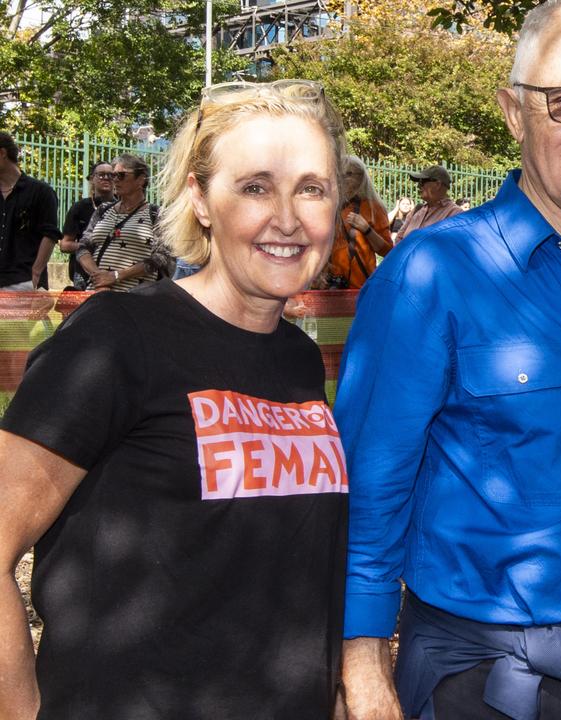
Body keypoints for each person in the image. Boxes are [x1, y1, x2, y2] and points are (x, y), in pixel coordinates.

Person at [336, 2, 561, 719]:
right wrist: (361, 664)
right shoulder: (430, 273)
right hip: (482, 681)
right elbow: (368, 489)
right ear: (514, 112)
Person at [0, 79, 351, 719]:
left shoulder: (298, 358)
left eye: (311, 188)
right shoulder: (115, 338)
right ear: (201, 198)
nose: (287, 217)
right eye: (254, 187)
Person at [75, 154, 170, 291]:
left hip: (134, 299)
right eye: (113, 175)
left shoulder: (156, 214)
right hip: (96, 294)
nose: (115, 180)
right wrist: (100, 278)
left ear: (141, 180)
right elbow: (82, 247)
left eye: (121, 175)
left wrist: (116, 276)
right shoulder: (103, 210)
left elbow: (161, 258)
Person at [0, 131, 59, 291]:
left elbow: (50, 234)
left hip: (23, 281)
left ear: (2, 153)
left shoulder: (41, 191)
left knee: (18, 318)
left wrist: (36, 273)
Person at [326, 155, 391, 289]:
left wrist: (367, 230)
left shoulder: (374, 208)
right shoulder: (328, 206)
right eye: (340, 174)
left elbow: (388, 252)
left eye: (349, 174)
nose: (343, 179)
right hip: (329, 286)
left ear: (361, 177)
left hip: (360, 288)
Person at [59, 160, 116, 289]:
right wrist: (90, 247)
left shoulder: (123, 207)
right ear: (92, 179)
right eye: (101, 174)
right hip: (83, 274)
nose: (106, 178)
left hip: (113, 272)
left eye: (111, 175)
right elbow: (65, 244)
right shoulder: (79, 208)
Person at [396, 165, 464, 240]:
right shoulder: (417, 210)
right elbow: (398, 240)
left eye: (422, 182)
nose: (418, 186)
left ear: (437, 184)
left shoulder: (455, 214)